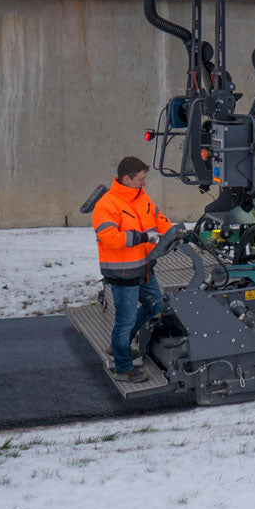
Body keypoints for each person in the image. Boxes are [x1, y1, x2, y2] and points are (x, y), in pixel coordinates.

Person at [91, 156, 172, 381]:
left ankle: (120, 344)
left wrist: (172, 232)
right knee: (124, 321)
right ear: (126, 178)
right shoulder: (106, 205)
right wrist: (142, 237)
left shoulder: (139, 196)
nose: (144, 184)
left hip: (144, 266)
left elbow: (156, 217)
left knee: (154, 304)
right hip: (122, 271)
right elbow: (109, 238)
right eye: (140, 180)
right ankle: (123, 368)